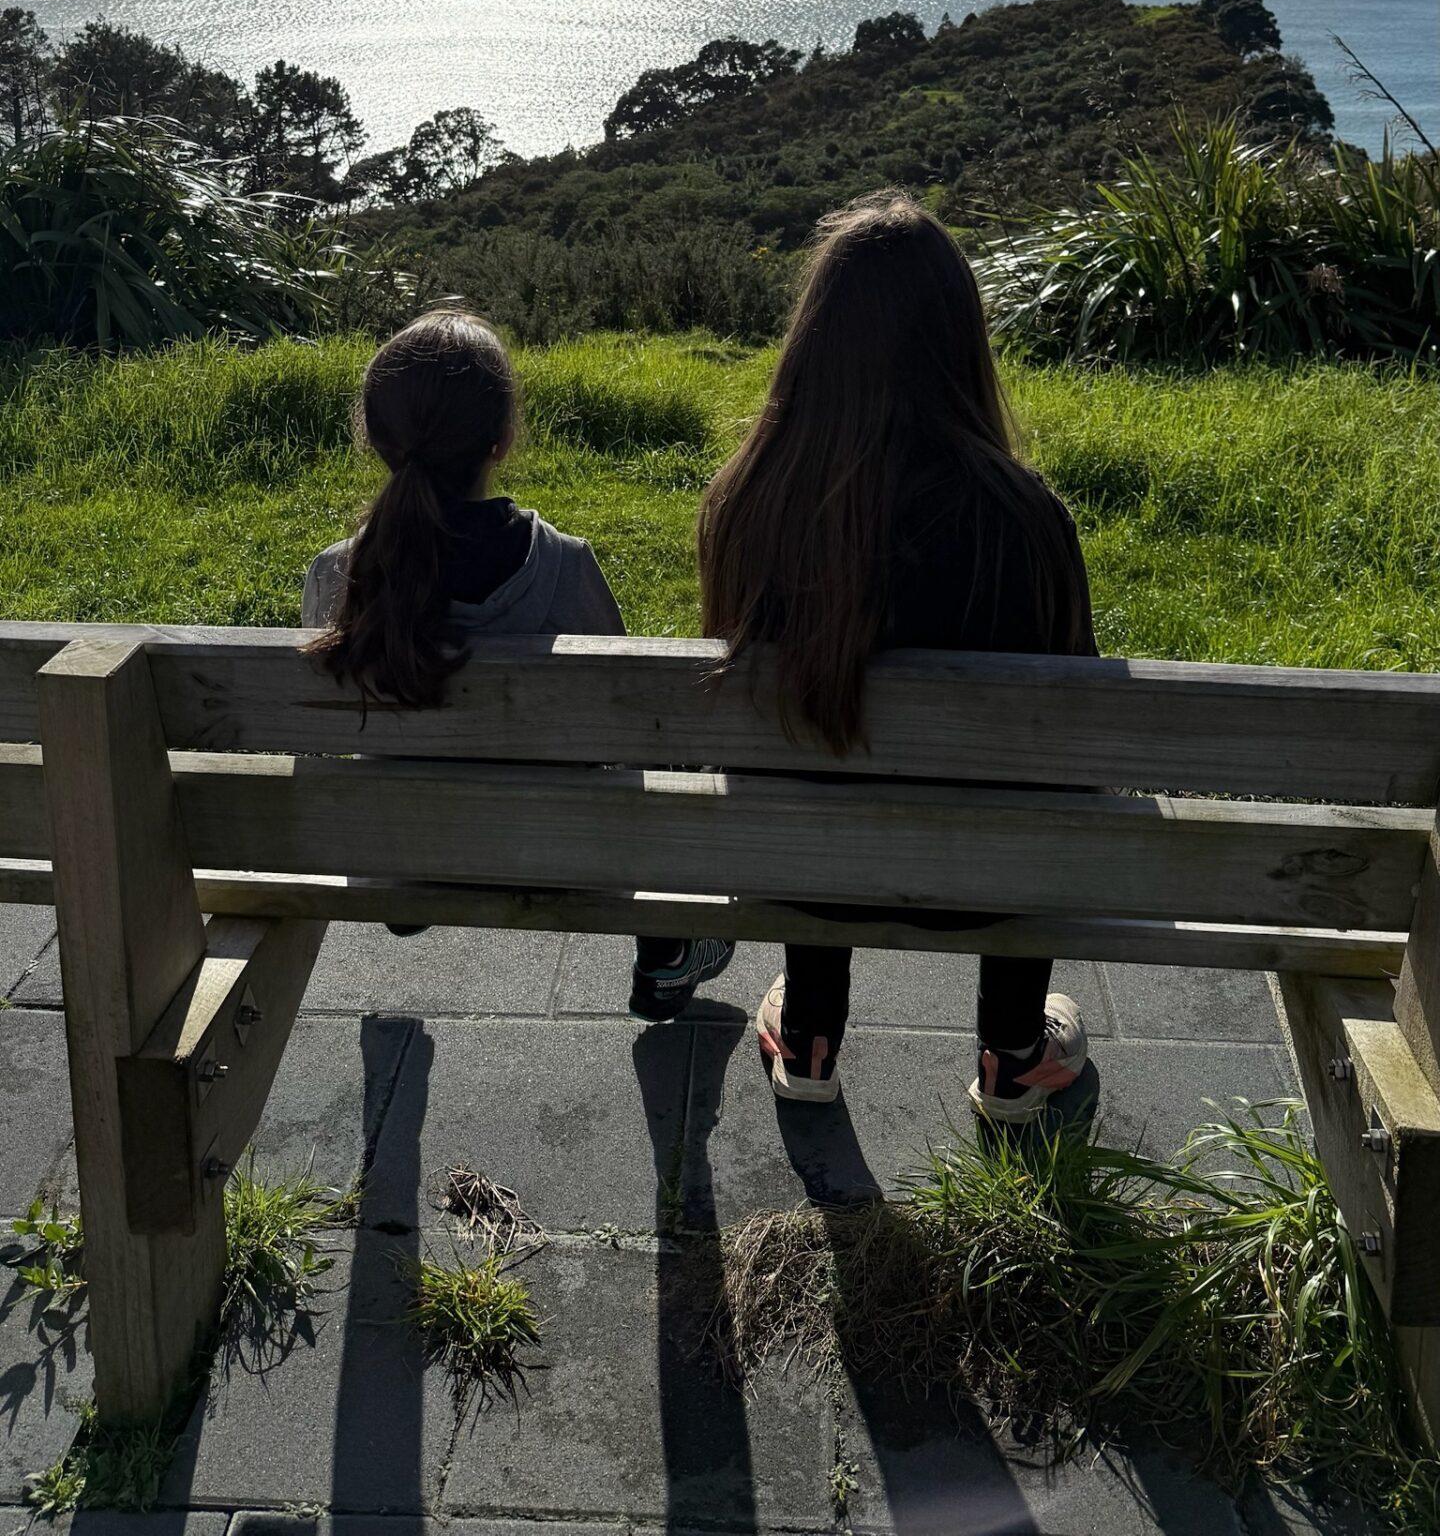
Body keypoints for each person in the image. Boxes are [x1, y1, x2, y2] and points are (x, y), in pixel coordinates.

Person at [672, 190, 1100, 1131]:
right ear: (960, 342)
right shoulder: (1023, 518)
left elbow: (753, 727)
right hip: (989, 880)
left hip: (804, 868)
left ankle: (809, 1036)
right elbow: (1075, 750)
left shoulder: (749, 504)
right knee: (1027, 798)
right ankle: (1014, 1055)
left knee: (813, 745)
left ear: (813, 343)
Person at [301, 305, 736, 1008]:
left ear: (376, 440)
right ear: (502, 438)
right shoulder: (564, 568)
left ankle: (412, 895)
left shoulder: (335, 578)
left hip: (396, 849)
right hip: (560, 853)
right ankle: (667, 951)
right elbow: (633, 730)